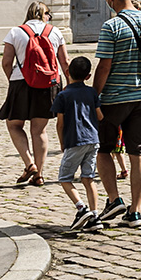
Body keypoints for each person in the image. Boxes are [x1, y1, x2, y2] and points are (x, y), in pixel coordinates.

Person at [92, 0, 141, 228]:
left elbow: (105, 66)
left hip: (113, 99)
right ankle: (135, 211)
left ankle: (113, 199)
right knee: (137, 154)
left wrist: (94, 95)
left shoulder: (111, 26)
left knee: (104, 149)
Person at [0, 1, 65, 188]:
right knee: (39, 129)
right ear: (45, 15)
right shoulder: (55, 31)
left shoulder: (15, 32)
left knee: (14, 124)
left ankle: (30, 163)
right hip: (49, 84)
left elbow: (6, 62)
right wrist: (66, 84)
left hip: (21, 82)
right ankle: (39, 175)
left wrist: (13, 78)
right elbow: (64, 61)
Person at [51, 56, 102, 233]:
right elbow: (100, 116)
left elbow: (60, 123)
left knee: (65, 178)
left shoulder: (63, 95)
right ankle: (95, 216)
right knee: (88, 178)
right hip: (93, 140)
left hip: (75, 140)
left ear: (67, 72)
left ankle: (82, 209)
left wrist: (62, 142)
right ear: (88, 76)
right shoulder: (92, 92)